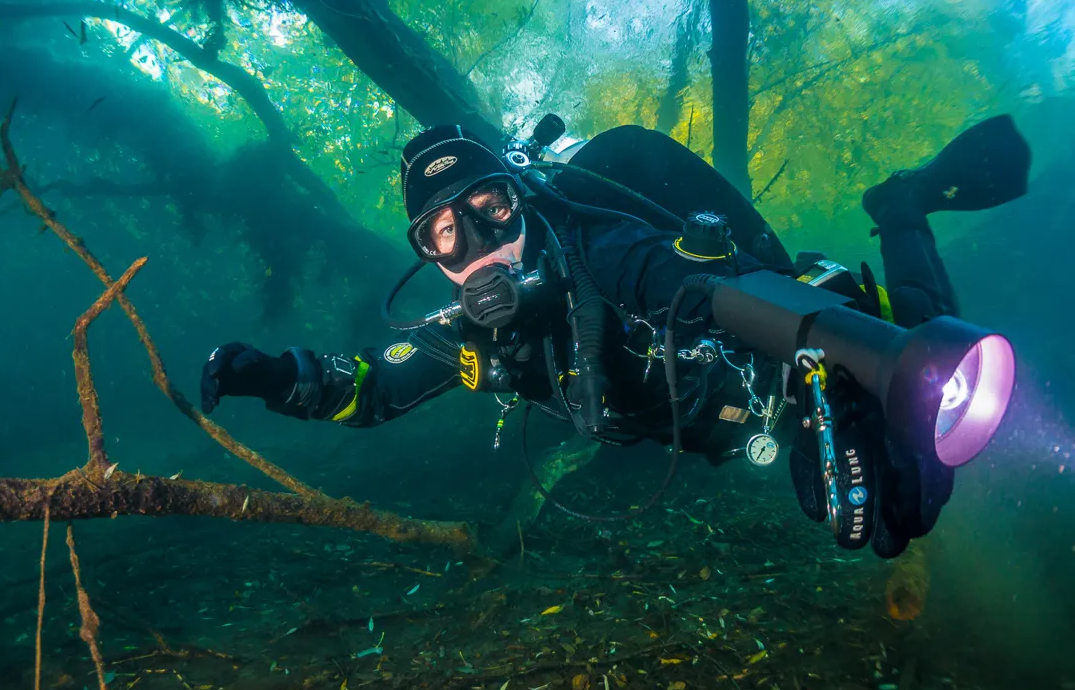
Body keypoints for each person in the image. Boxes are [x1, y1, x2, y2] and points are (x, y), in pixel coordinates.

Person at [199, 117, 1031, 557]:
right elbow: (368, 389)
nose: (478, 244)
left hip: (791, 370)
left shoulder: (603, 249)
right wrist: (270, 376)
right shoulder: (465, 339)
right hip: (733, 425)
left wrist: (873, 364)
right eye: (445, 234)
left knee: (915, 344)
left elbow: (715, 291)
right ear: (427, 255)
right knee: (892, 528)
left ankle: (902, 205)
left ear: (521, 195)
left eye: (490, 206)